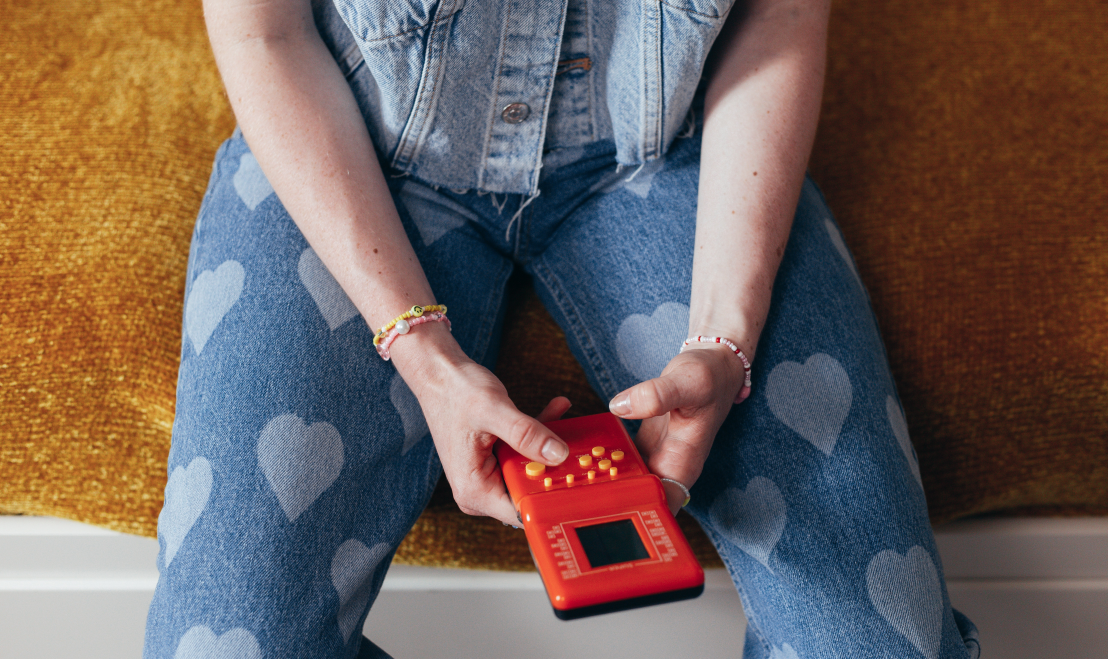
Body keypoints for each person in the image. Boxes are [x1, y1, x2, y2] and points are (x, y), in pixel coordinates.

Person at [145, 0, 980, 656]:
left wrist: (723, 339)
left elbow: (781, 15)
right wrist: (420, 349)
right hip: (355, 140)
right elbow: (265, 33)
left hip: (674, 143)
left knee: (878, 642)